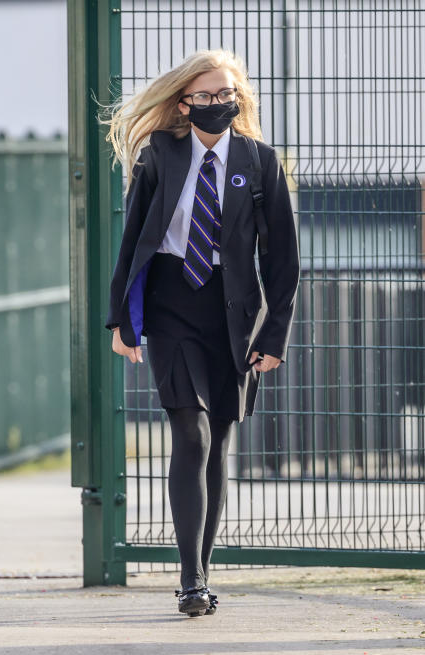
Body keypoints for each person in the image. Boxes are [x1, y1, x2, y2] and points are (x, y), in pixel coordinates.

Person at [105, 50, 299, 617]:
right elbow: (134, 239)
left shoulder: (260, 162)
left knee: (218, 441)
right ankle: (190, 581)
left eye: (226, 94)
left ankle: (203, 569)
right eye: (206, 95)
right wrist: (122, 319)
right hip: (170, 303)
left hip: (232, 312)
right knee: (188, 434)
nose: (218, 104)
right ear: (183, 102)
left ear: (239, 100)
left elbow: (283, 261)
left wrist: (274, 336)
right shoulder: (158, 155)